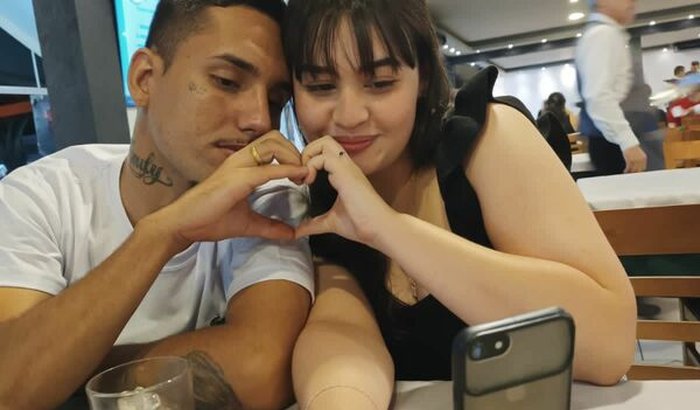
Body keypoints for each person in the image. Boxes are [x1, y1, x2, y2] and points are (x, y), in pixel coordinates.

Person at [282, 0, 637, 408]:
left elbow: (610, 345)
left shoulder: (485, 141)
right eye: (320, 86)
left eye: (380, 82)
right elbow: (342, 336)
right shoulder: (322, 199)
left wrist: (389, 228)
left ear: (422, 77)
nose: (349, 115)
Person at [0, 1, 314, 409]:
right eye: (227, 81)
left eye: (274, 100)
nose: (259, 119)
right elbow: (10, 384)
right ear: (144, 78)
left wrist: (67, 368)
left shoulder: (270, 198)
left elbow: (261, 370)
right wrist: (163, 233)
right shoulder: (41, 194)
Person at [575, 0, 660, 175]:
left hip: (621, 138)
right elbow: (598, 96)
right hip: (616, 143)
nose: (632, 2)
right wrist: (628, 142)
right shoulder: (602, 34)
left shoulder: (609, 34)